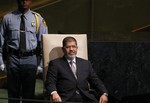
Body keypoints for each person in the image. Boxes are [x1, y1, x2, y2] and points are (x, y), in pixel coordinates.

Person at [0, 0, 48, 103]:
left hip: (30, 60)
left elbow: (44, 43)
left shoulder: (38, 19)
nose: (24, 1)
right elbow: (0, 42)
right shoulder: (8, 18)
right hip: (13, 59)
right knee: (12, 94)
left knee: (29, 94)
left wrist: (40, 64)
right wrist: (1, 62)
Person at [45, 36, 108, 103]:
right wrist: (54, 93)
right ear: (63, 49)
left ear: (77, 48)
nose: (71, 49)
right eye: (68, 47)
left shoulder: (86, 63)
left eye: (73, 46)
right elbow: (50, 81)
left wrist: (104, 93)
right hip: (65, 99)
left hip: (86, 98)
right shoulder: (55, 64)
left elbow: (95, 80)